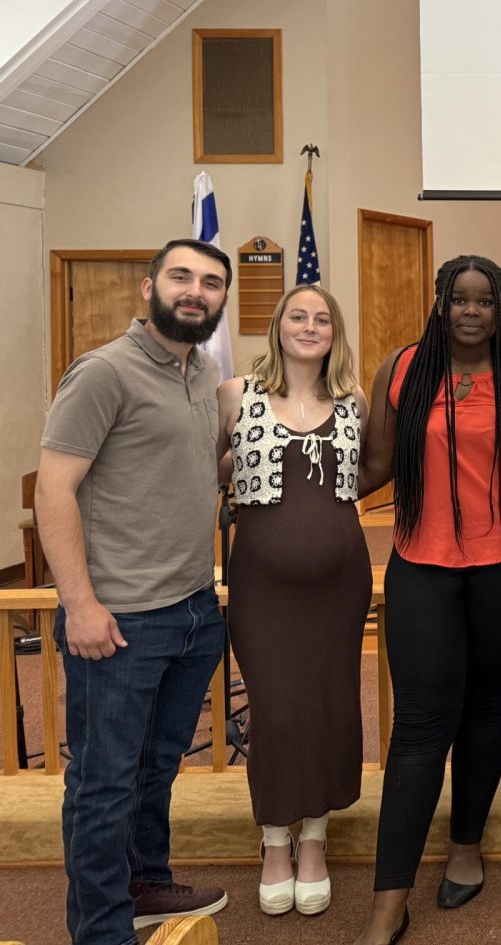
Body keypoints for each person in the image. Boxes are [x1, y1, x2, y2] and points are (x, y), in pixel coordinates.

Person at [34, 239, 233, 945]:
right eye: (181, 276)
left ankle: (144, 882)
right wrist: (80, 603)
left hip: (193, 609)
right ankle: (102, 930)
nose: (195, 291)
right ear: (148, 289)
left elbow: (192, 467)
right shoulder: (103, 372)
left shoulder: (204, 371)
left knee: (157, 767)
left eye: (211, 282)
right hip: (120, 620)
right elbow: (54, 490)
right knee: (104, 781)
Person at [353, 256, 501, 945]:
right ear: (440, 304)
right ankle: (389, 902)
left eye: (484, 300)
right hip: (422, 563)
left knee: (485, 704)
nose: (471, 311)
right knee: (417, 726)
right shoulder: (402, 368)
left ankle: (466, 842)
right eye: (459, 299)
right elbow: (377, 466)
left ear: (500, 309)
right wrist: (293, 492)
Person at [217, 285, 369, 916]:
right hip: (263, 587)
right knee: (277, 711)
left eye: (322, 319)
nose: (310, 327)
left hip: (340, 586)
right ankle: (274, 839)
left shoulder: (355, 401)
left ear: (335, 332)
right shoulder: (235, 394)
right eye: (298, 316)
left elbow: (368, 472)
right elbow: (202, 471)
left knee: (330, 704)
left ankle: (314, 839)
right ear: (278, 325)